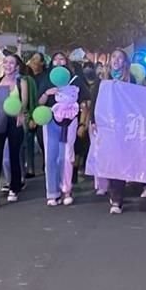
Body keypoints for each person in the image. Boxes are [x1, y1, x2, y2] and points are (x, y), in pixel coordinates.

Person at [90, 49, 135, 213]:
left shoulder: (130, 79)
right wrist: (93, 121)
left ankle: (117, 198)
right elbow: (94, 99)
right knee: (108, 158)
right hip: (105, 124)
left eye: (120, 58)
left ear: (125, 62)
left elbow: (136, 101)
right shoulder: (102, 78)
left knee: (120, 159)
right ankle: (111, 188)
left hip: (123, 125)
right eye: (114, 57)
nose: (117, 60)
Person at [0, 54, 29, 208]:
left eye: (11, 63)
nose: (8, 65)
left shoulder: (20, 81)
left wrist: (21, 113)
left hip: (14, 120)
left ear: (16, 66)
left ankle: (14, 187)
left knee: (14, 156)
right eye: (6, 62)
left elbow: (24, 102)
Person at [37, 63, 83, 206]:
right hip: (51, 121)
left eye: (62, 59)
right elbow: (39, 103)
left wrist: (83, 122)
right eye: (56, 59)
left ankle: (66, 190)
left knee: (67, 156)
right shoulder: (46, 80)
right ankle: (52, 192)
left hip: (70, 122)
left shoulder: (75, 81)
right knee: (51, 157)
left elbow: (84, 102)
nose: (59, 62)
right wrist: (47, 93)